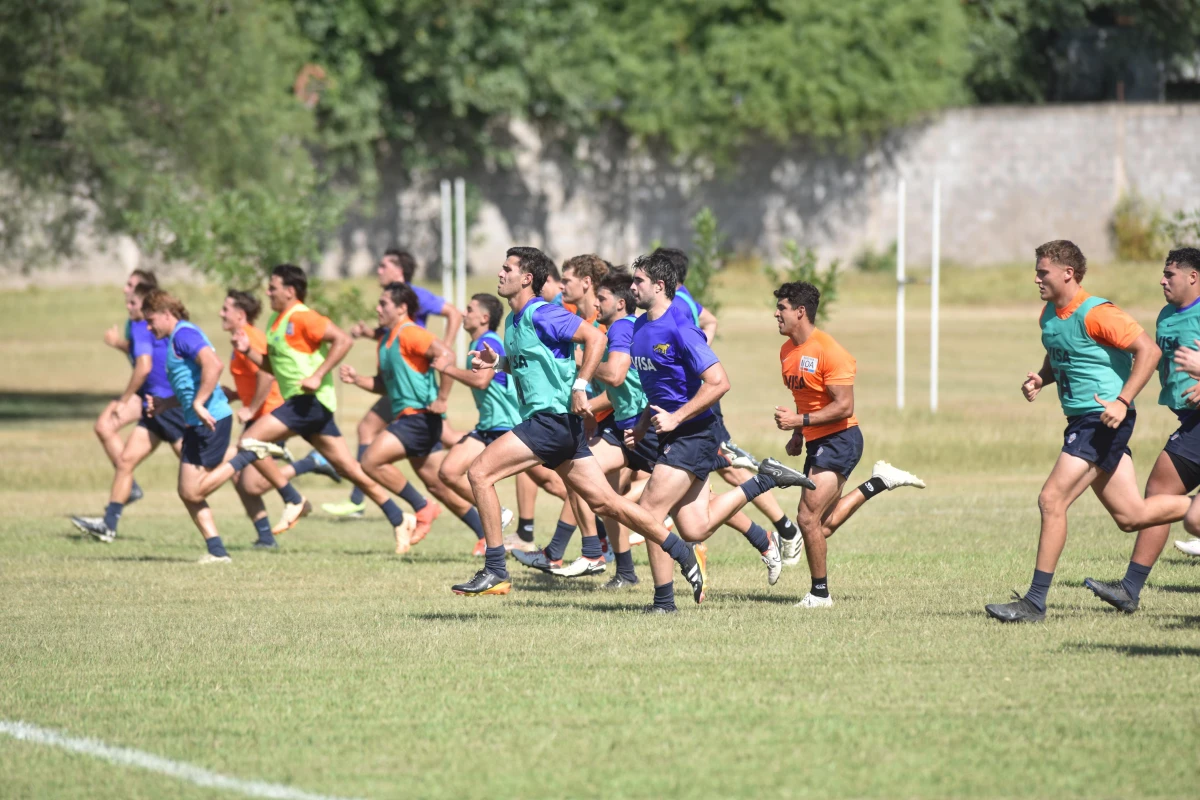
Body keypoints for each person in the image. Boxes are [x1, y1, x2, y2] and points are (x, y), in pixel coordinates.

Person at [448, 247, 706, 600]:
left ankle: (495, 569)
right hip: (561, 427)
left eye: (507, 269)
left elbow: (596, 337)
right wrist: (500, 363)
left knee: (479, 473)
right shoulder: (513, 321)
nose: (500, 274)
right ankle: (677, 547)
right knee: (605, 503)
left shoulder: (544, 313)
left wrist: (582, 384)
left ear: (526, 278)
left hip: (550, 422)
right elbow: (536, 364)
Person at [985, 240, 1193, 623]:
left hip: (1101, 420)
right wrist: (1042, 379)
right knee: (1131, 515)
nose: (1036, 278)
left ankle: (1034, 602)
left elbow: (1148, 351)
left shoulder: (1099, 312)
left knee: (1051, 500)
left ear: (1068, 273)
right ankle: (1193, 508)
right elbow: (1063, 350)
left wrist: (1122, 400)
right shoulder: (1049, 314)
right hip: (1083, 420)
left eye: (1042, 271)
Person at [625, 251, 813, 613]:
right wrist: (644, 422)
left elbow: (719, 382)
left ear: (659, 286)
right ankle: (763, 479)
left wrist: (677, 418)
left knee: (648, 511)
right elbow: (662, 388)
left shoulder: (681, 327)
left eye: (638, 281)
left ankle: (663, 602)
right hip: (673, 432)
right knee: (695, 528)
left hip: (694, 433)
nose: (632, 287)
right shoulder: (639, 327)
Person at [184, 264, 417, 553]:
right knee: (351, 470)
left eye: (273, 287)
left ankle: (293, 499)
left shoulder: (305, 317)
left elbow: (342, 340)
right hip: (304, 405)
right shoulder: (275, 321)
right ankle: (399, 518)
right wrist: (248, 351)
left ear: (290, 291)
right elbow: (272, 366)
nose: (268, 292)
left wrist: (318, 375)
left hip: (309, 402)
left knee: (249, 441)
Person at [771, 281, 926, 608]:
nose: (776, 314)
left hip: (841, 439)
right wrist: (798, 435)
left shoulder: (829, 351)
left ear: (800, 312)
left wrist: (800, 423)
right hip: (816, 440)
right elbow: (806, 398)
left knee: (806, 519)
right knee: (821, 528)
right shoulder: (787, 352)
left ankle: (820, 594)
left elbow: (844, 406)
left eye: (782, 308)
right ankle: (878, 482)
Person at [654, 247, 804, 557]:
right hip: (684, 404)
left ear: (662, 279)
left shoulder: (676, 308)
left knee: (725, 464)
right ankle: (776, 531)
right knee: (713, 474)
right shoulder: (685, 300)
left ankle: (783, 528)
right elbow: (710, 320)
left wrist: (695, 360)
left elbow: (696, 340)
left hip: (694, 403)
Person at [1085, 248, 1200, 610]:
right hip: (1190, 420)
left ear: (1193, 277)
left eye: (1170, 274)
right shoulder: (1167, 316)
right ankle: (1130, 590)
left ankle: (1131, 588)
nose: (1162, 280)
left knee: (1162, 500)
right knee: (1158, 495)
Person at [340, 282, 491, 550]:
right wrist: (357, 379)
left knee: (371, 460)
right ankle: (485, 534)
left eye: (384, 303)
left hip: (418, 418)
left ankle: (422, 508)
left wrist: (442, 399)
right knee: (438, 485)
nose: (378, 308)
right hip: (413, 419)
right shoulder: (386, 340)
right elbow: (384, 385)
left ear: (401, 308)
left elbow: (446, 354)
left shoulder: (410, 333)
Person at [324, 248, 464, 518]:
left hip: (413, 378)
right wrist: (369, 334)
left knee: (372, 442)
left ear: (399, 271)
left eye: (384, 265)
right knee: (436, 465)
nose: (378, 270)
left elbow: (453, 313)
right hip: (401, 378)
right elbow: (392, 333)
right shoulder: (389, 309)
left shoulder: (411, 295)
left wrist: (442, 351)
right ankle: (487, 447)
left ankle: (361, 498)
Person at [218, 289, 340, 547]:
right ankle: (265, 536)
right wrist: (237, 395)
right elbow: (253, 380)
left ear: (240, 315)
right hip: (257, 414)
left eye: (225, 309)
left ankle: (308, 469)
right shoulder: (239, 340)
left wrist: (251, 408)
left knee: (252, 483)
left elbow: (267, 376)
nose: (220, 313)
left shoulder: (252, 338)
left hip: (270, 414)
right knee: (240, 478)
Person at [71, 282, 186, 542]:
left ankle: (253, 474)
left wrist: (124, 400)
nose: (128, 306)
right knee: (125, 462)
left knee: (200, 473)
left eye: (134, 302)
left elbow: (143, 366)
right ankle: (108, 526)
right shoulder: (143, 328)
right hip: (152, 408)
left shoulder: (143, 328)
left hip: (168, 408)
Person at [137, 291, 237, 563]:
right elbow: (188, 385)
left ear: (167, 314)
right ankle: (217, 552)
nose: (148, 326)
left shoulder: (183, 335)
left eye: (151, 319)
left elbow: (213, 365)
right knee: (187, 492)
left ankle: (243, 455)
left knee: (194, 490)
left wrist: (200, 403)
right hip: (196, 421)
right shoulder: (176, 338)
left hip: (210, 419)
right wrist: (166, 405)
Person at [93, 269, 160, 506]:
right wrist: (118, 343)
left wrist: (124, 400)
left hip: (161, 396)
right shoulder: (135, 321)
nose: (125, 289)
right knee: (104, 425)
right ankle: (128, 485)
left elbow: (144, 364)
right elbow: (137, 348)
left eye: (131, 285)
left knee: (195, 468)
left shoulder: (146, 321)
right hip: (146, 393)